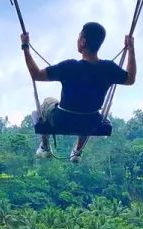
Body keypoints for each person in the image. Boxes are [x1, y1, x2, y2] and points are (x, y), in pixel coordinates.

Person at [21, 22, 136, 163]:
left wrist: (25, 47)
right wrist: (131, 49)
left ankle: (45, 146)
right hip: (90, 122)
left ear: (83, 42)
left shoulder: (69, 66)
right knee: (87, 110)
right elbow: (130, 79)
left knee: (47, 102)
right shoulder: (108, 68)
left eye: (78, 37)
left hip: (62, 120)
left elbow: (36, 75)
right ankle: (77, 151)